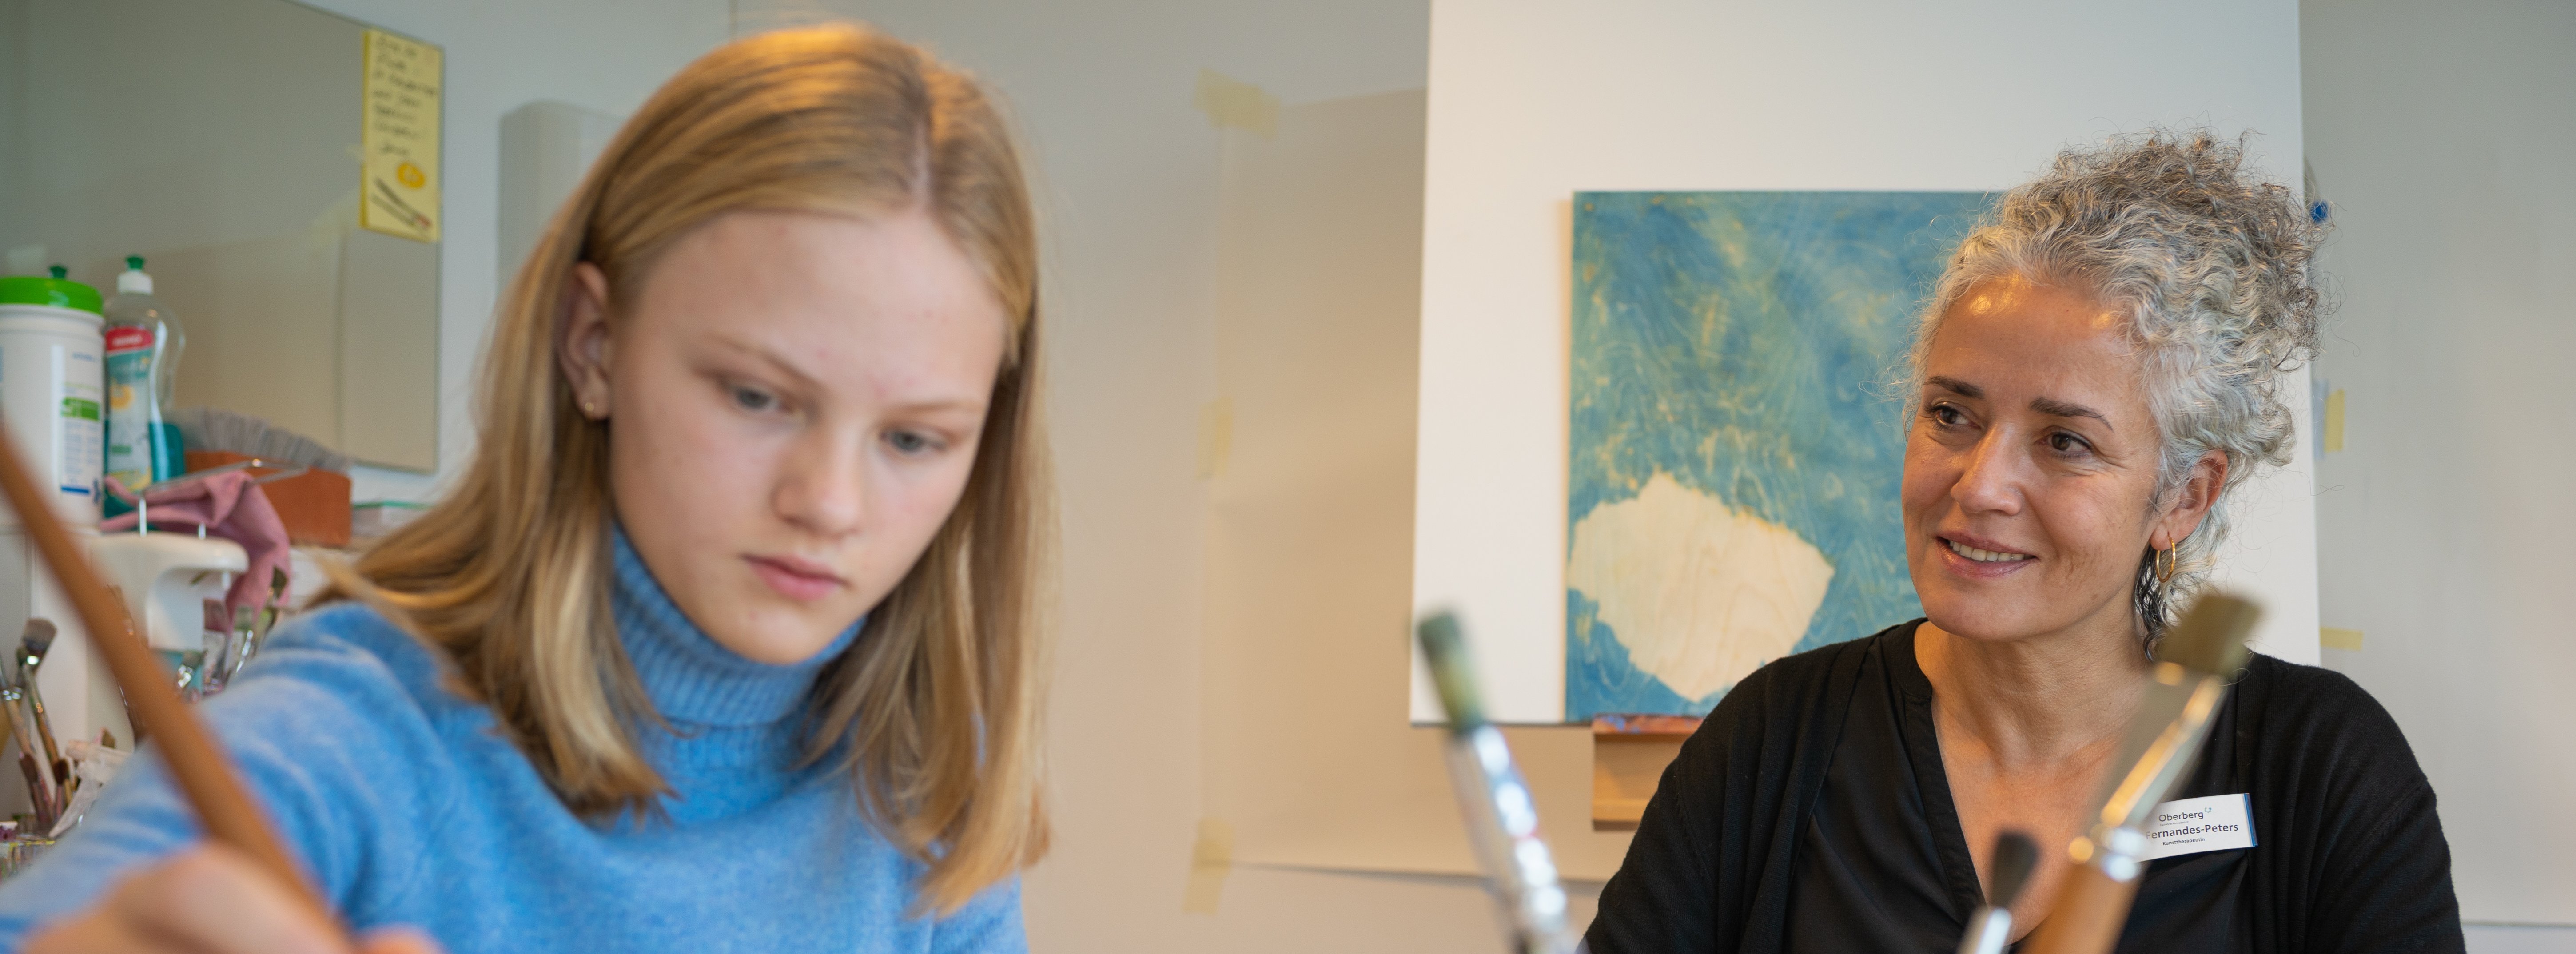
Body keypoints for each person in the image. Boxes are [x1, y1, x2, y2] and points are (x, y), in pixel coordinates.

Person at [0, 24, 1049, 953]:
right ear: (593, 345)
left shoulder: (923, 782)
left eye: (913, 439)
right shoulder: (361, 733)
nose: (830, 503)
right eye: (755, 396)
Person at [1584, 133, 2464, 953]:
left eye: (2064, 442)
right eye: (1950, 415)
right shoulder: (1775, 738)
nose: (1979, 486)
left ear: (2184, 497)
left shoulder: (2317, 761)